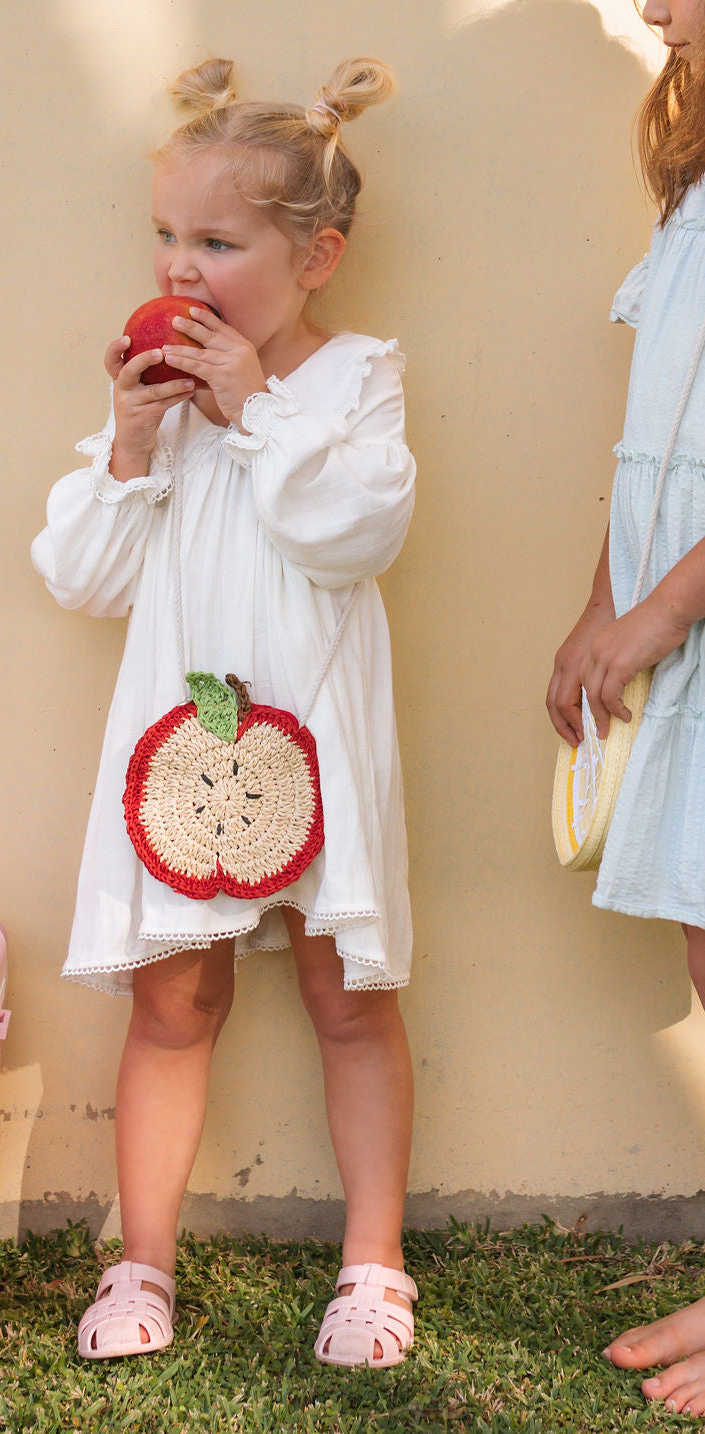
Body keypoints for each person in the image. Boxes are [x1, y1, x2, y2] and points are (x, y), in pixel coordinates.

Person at [31, 56, 417, 1368]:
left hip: (315, 736)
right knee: (173, 997)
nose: (179, 267)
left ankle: (374, 1264)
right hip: (181, 751)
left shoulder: (353, 380)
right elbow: (80, 577)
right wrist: (135, 443)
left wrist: (251, 407)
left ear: (317, 259)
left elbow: (355, 533)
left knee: (345, 994)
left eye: (217, 239)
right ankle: (141, 1261)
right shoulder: (154, 405)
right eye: (164, 237)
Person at [546, 0, 705, 1417]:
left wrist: (665, 607)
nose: (650, 8)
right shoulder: (693, 184)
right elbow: (653, 434)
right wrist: (609, 599)